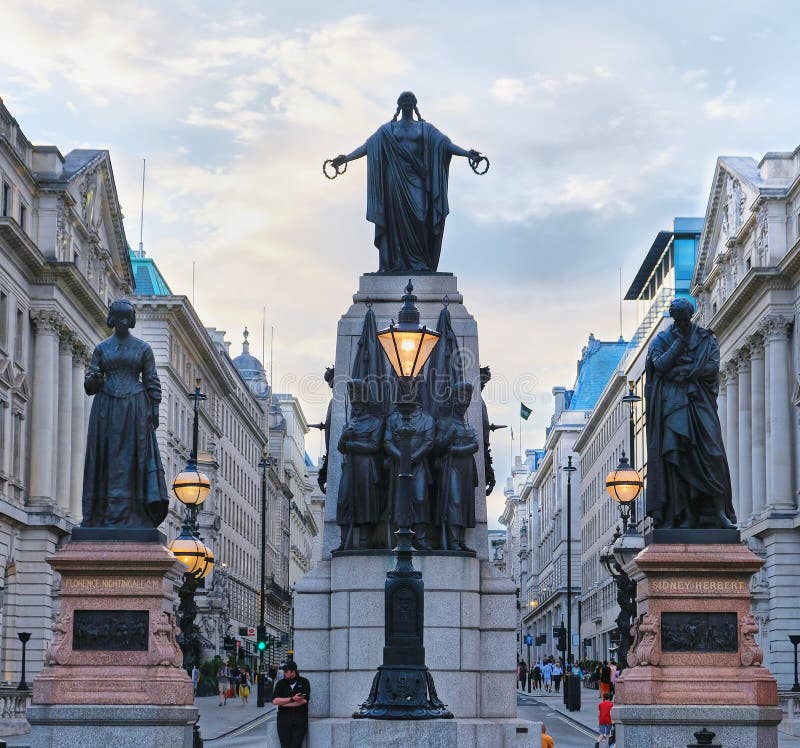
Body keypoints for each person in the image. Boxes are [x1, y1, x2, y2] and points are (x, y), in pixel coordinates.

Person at [329, 91, 485, 272]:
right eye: (405, 102)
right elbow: (368, 147)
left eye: (411, 102)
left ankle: (420, 263)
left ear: (415, 105)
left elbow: (445, 145)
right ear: (399, 105)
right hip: (394, 180)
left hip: (417, 179)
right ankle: (396, 264)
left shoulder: (425, 128)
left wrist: (468, 154)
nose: (408, 105)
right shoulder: (388, 130)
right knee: (394, 222)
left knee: (420, 217)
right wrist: (346, 158)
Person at [645, 297, 736, 529]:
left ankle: (719, 512)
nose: (683, 323)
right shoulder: (663, 339)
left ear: (691, 316)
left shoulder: (706, 337)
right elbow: (660, 365)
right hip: (673, 405)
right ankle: (684, 514)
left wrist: (684, 372)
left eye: (686, 319)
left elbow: (712, 367)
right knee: (677, 457)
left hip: (699, 401)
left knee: (713, 454)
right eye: (679, 320)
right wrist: (679, 345)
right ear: (674, 319)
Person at [82, 299, 169, 528]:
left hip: (135, 409)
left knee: (133, 459)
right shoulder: (101, 349)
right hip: (106, 408)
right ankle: (100, 512)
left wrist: (155, 410)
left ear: (131, 320)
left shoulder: (143, 349)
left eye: (125, 317)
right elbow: (90, 385)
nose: (121, 322)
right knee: (106, 457)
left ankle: (135, 513)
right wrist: (93, 379)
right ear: (112, 319)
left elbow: (152, 380)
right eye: (118, 317)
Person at [272, 660, 311, 748]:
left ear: (293, 672)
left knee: (296, 745)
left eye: (286, 671)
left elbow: (303, 701)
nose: (284, 673)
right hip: (283, 720)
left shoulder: (304, 682)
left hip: (300, 719)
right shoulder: (280, 684)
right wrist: (292, 699)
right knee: (285, 745)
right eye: (284, 671)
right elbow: (275, 701)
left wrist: (283, 703)